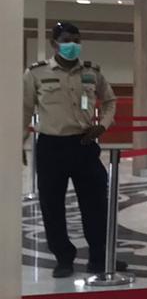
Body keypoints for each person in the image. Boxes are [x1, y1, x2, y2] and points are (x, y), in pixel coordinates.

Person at [21, 21, 124, 278]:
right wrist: (18, 142)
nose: (73, 46)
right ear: (54, 43)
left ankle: (99, 257)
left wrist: (103, 125)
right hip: (51, 146)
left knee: (96, 204)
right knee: (52, 205)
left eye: (77, 41)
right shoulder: (35, 73)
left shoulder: (91, 72)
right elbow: (24, 109)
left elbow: (110, 100)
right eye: (67, 40)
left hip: (84, 144)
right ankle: (63, 258)